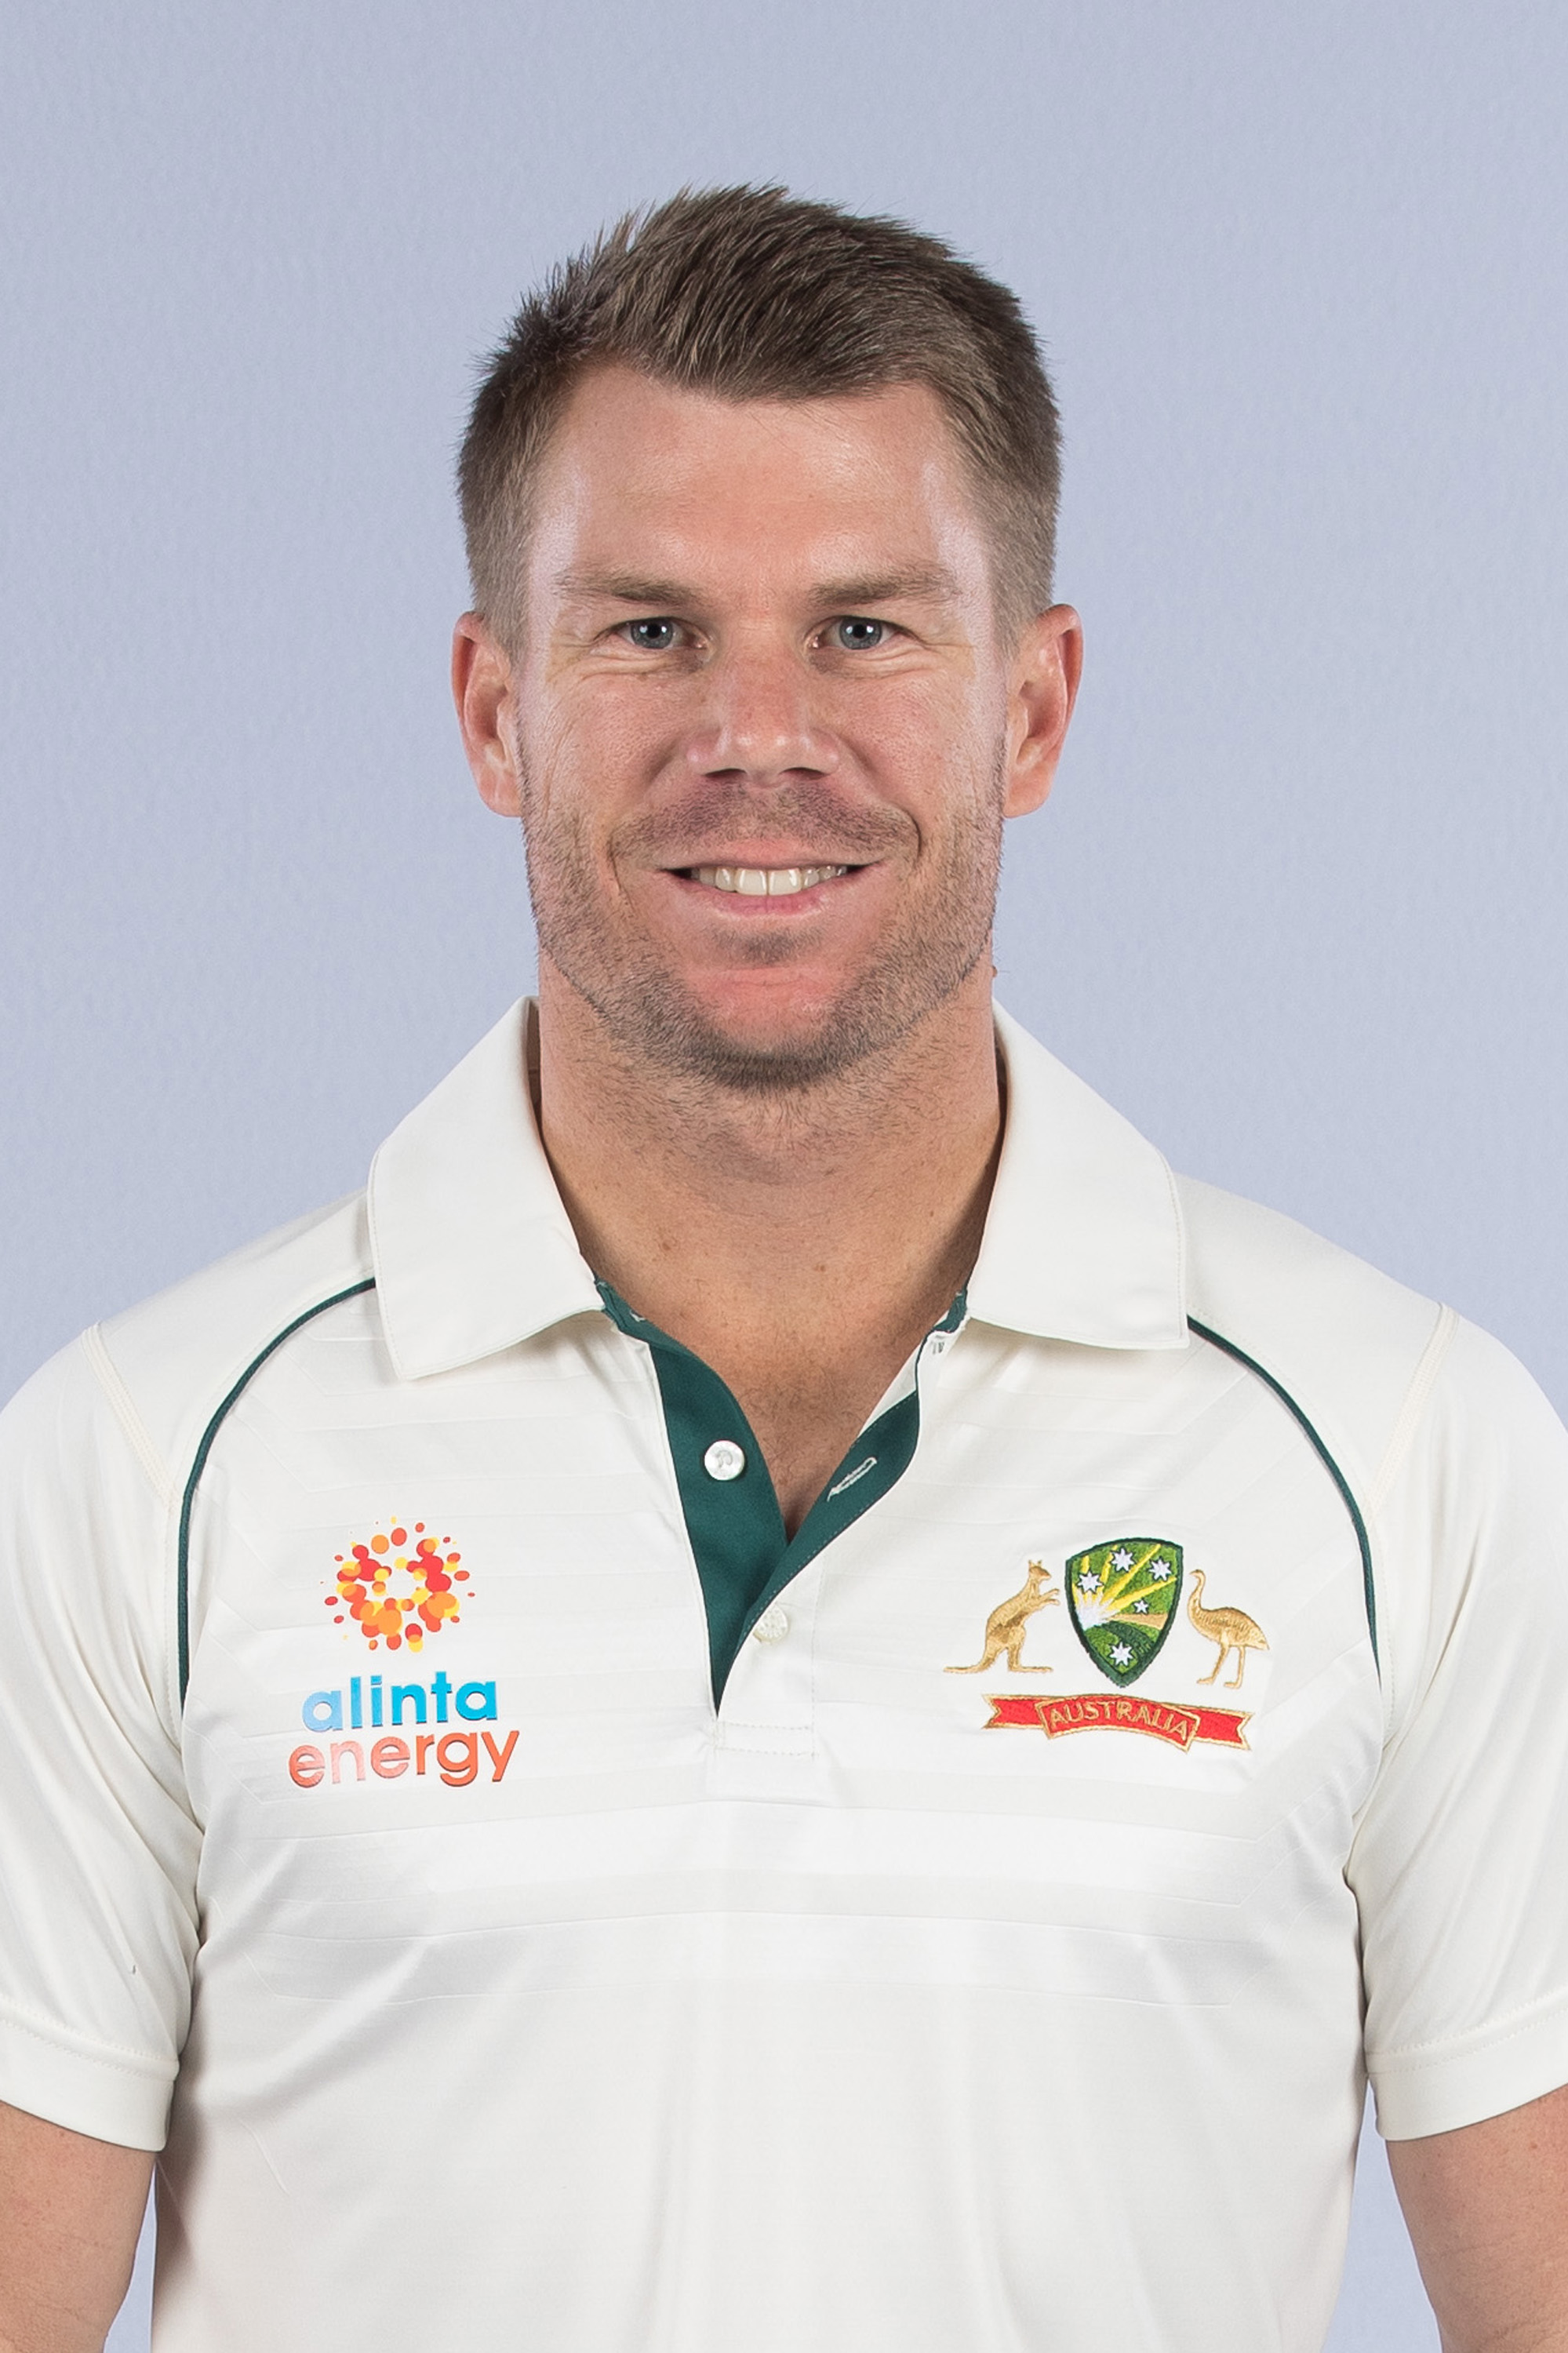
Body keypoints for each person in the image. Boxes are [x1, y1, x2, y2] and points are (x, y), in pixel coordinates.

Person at [1, 184, 1565, 2353]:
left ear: (1034, 708)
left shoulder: (1406, 1452)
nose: (757, 733)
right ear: (493, 712)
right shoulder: (137, 1464)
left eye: (863, 631)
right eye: (650, 630)